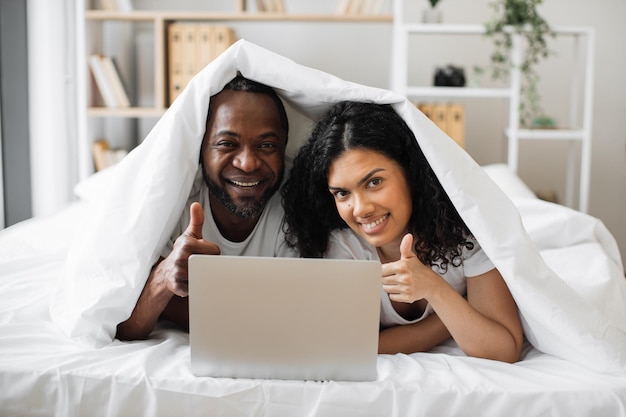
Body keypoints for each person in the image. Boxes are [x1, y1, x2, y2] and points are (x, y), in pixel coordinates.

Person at [281, 101, 523, 363]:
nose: (361, 209)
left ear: (411, 174)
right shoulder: (343, 248)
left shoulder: (466, 238)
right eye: (342, 193)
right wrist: (454, 311)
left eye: (374, 182)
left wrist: (435, 289)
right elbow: (355, 346)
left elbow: (502, 350)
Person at [116, 74, 296, 340]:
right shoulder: (169, 202)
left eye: (267, 145)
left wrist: (178, 307)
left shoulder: (302, 202)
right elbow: (124, 326)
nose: (247, 163)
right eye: (227, 144)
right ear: (201, 150)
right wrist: (163, 278)